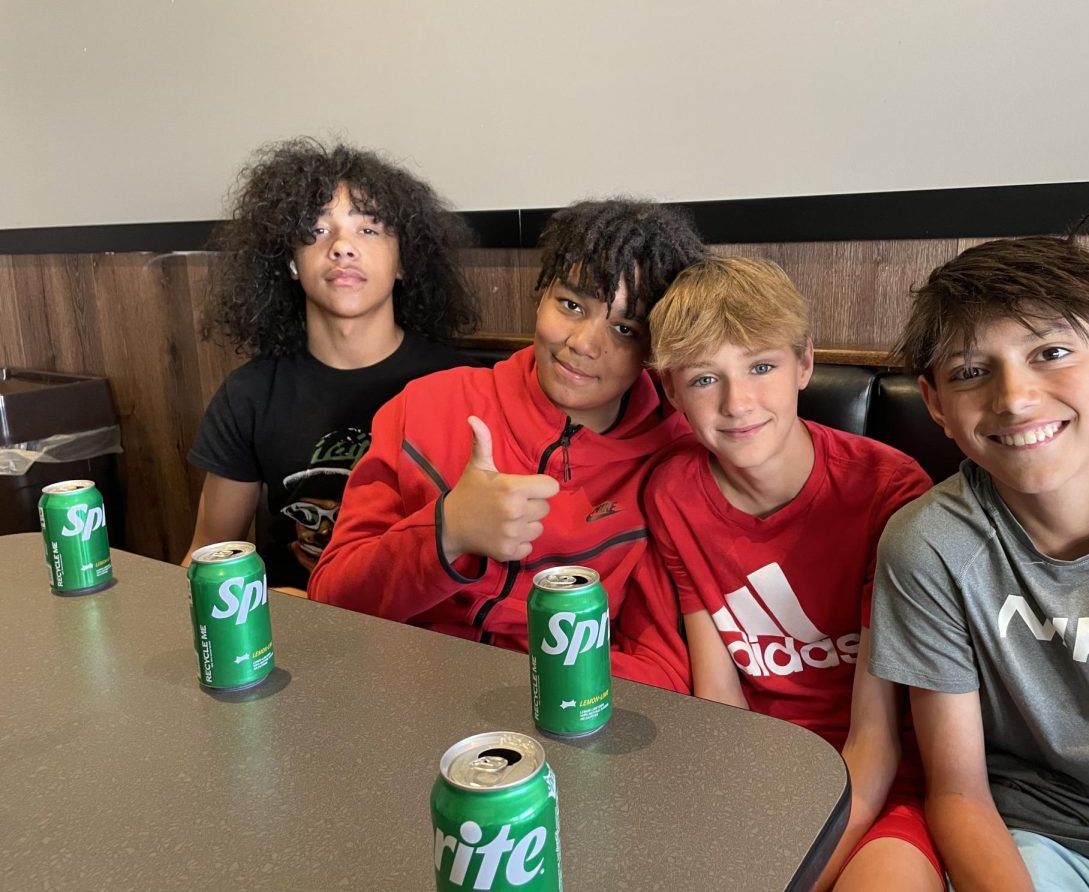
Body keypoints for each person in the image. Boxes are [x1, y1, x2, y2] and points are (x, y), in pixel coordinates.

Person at [869, 235, 1089, 891]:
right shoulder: (929, 544)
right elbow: (958, 791)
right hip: (1037, 843)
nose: (1014, 398)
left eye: (1051, 353)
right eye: (970, 371)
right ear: (936, 404)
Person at [308, 198, 706, 690]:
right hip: (403, 696)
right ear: (541, 297)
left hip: (567, 714)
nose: (584, 342)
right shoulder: (427, 407)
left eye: (625, 329)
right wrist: (447, 531)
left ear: (654, 352)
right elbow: (332, 599)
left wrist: (523, 687)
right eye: (571, 304)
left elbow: (662, 668)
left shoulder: (675, 461)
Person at [642, 256, 941, 891]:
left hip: (881, 784)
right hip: (753, 769)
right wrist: (744, 819)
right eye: (703, 378)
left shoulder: (890, 492)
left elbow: (877, 741)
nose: (737, 403)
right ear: (669, 389)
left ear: (804, 363)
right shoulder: (673, 493)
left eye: (760, 367)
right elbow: (719, 701)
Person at [185, 138, 478, 593]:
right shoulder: (250, 393)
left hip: (418, 637)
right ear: (290, 263)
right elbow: (208, 554)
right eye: (317, 231)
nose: (342, 247)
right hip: (291, 628)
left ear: (403, 262)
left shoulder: (458, 386)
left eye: (369, 229)